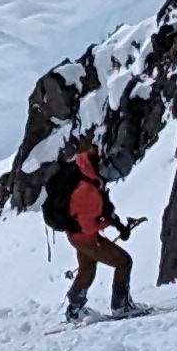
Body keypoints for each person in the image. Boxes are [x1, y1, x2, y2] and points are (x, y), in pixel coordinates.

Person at [60, 131, 137, 318]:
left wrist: (116, 224)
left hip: (78, 236)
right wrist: (108, 222)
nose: (114, 179)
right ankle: (121, 307)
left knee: (87, 269)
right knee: (123, 262)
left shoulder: (90, 173)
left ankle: (74, 310)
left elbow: (96, 212)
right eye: (115, 175)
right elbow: (88, 225)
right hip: (85, 238)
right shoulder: (88, 190)